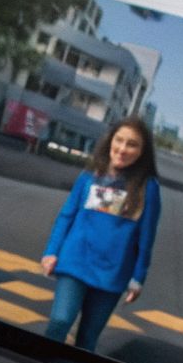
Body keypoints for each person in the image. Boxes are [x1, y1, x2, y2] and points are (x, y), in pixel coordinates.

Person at [39, 117, 162, 351]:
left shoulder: (148, 188)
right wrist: (52, 251)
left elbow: (147, 236)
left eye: (132, 144)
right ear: (111, 141)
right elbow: (67, 215)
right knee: (60, 321)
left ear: (142, 152)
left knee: (87, 338)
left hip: (112, 274)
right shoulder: (91, 175)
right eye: (119, 141)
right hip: (75, 260)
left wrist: (138, 277)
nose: (123, 149)